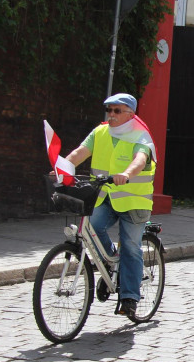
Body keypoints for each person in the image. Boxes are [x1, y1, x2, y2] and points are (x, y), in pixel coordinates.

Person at [59, 93, 156, 319]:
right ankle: (112, 261)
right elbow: (78, 153)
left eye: (117, 111)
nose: (111, 115)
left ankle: (130, 297)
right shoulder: (99, 132)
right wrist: (61, 166)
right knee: (92, 226)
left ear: (130, 114)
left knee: (131, 247)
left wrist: (126, 173)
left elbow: (140, 159)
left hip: (133, 201)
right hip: (105, 197)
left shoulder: (140, 135)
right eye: (109, 110)